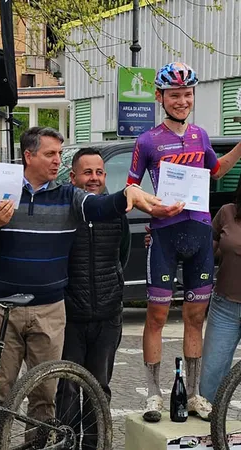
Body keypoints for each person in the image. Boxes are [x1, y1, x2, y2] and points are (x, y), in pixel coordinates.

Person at [0, 126, 162, 425]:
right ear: (28, 156)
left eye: (59, 153)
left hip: (49, 310)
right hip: (2, 308)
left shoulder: (68, 195)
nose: (57, 160)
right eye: (50, 154)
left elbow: (97, 205)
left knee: (45, 397)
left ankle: (38, 444)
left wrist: (126, 194)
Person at [127, 62, 241, 422]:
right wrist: (153, 208)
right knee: (157, 317)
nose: (182, 101)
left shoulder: (201, 136)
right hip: (164, 235)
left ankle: (193, 395)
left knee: (194, 318)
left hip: (199, 234)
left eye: (187, 94)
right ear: (160, 97)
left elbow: (216, 171)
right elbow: (131, 188)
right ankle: (153, 394)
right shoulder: (147, 141)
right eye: (174, 95)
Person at [56, 147, 130, 448]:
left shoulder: (115, 212)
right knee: (68, 388)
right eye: (87, 172)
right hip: (70, 317)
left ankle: (95, 445)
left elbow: (122, 256)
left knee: (99, 389)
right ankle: (66, 443)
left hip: (107, 316)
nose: (94, 178)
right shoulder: (64, 212)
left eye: (99, 172)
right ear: (73, 177)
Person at [199, 177, 241, 403]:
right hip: (225, 307)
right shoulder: (227, 212)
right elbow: (206, 251)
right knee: (210, 381)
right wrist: (158, 241)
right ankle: (211, 423)